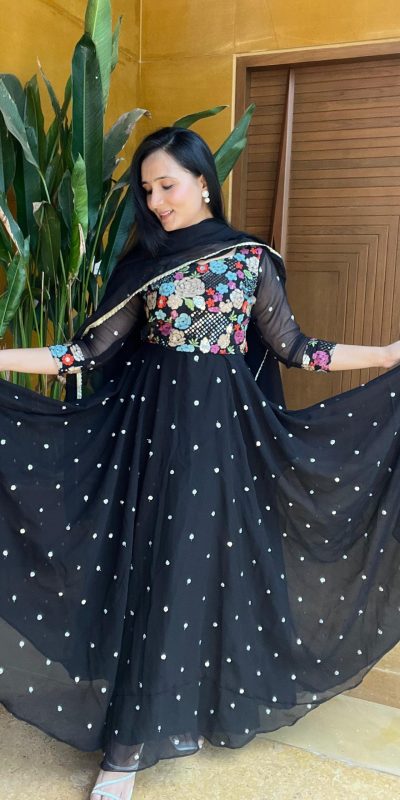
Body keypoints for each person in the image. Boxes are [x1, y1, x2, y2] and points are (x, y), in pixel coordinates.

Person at [1, 126, 400, 800]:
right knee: (149, 567)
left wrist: (385, 356)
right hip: (147, 435)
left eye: (168, 185)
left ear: (203, 182)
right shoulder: (145, 265)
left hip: (221, 440)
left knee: (196, 568)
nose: (156, 201)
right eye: (147, 190)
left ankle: (190, 708)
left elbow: (297, 348)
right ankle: (127, 745)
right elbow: (84, 354)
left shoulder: (249, 260)